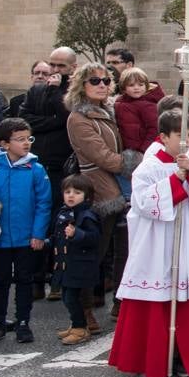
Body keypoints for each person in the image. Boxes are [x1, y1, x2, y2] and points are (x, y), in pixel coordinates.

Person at [109, 109, 189, 377]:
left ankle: (186, 358)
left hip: (188, 241)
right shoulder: (148, 167)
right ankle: (153, 362)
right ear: (163, 137)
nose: (186, 142)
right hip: (157, 243)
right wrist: (176, 180)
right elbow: (146, 204)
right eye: (179, 136)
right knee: (157, 300)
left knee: (187, 299)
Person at [65, 63, 135, 327]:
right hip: (98, 188)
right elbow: (102, 156)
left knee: (124, 250)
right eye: (95, 81)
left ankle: (120, 302)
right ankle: (84, 311)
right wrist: (135, 162)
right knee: (93, 252)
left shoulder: (110, 110)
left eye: (106, 80)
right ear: (82, 84)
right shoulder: (78, 117)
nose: (103, 85)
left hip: (120, 187)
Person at [0, 118, 51, 344]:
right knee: (0, 280)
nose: (26, 143)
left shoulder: (36, 169)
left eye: (28, 139)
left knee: (24, 280)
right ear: (5, 144)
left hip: (26, 238)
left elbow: (43, 203)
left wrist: (38, 234)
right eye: (19, 140)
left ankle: (23, 322)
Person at [21, 47, 77, 300]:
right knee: (36, 222)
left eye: (60, 67)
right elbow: (26, 120)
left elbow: (67, 119)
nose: (54, 71)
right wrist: (51, 123)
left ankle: (57, 278)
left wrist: (56, 94)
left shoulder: (71, 93)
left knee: (59, 223)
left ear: (71, 68)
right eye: (52, 65)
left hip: (60, 169)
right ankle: (34, 278)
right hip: (36, 166)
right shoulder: (35, 91)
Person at [50, 175, 101, 345]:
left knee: (71, 298)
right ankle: (76, 325)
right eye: (67, 191)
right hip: (66, 263)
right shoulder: (63, 212)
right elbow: (57, 236)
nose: (71, 195)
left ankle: (80, 328)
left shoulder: (87, 215)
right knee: (66, 296)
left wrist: (77, 234)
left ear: (87, 196)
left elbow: (95, 238)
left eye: (77, 192)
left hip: (80, 265)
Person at [114, 67, 165, 155]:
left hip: (142, 151)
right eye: (131, 85)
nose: (136, 88)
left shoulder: (148, 105)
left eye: (141, 85)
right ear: (124, 87)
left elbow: (154, 129)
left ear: (146, 86)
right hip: (125, 149)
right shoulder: (119, 103)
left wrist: (143, 150)